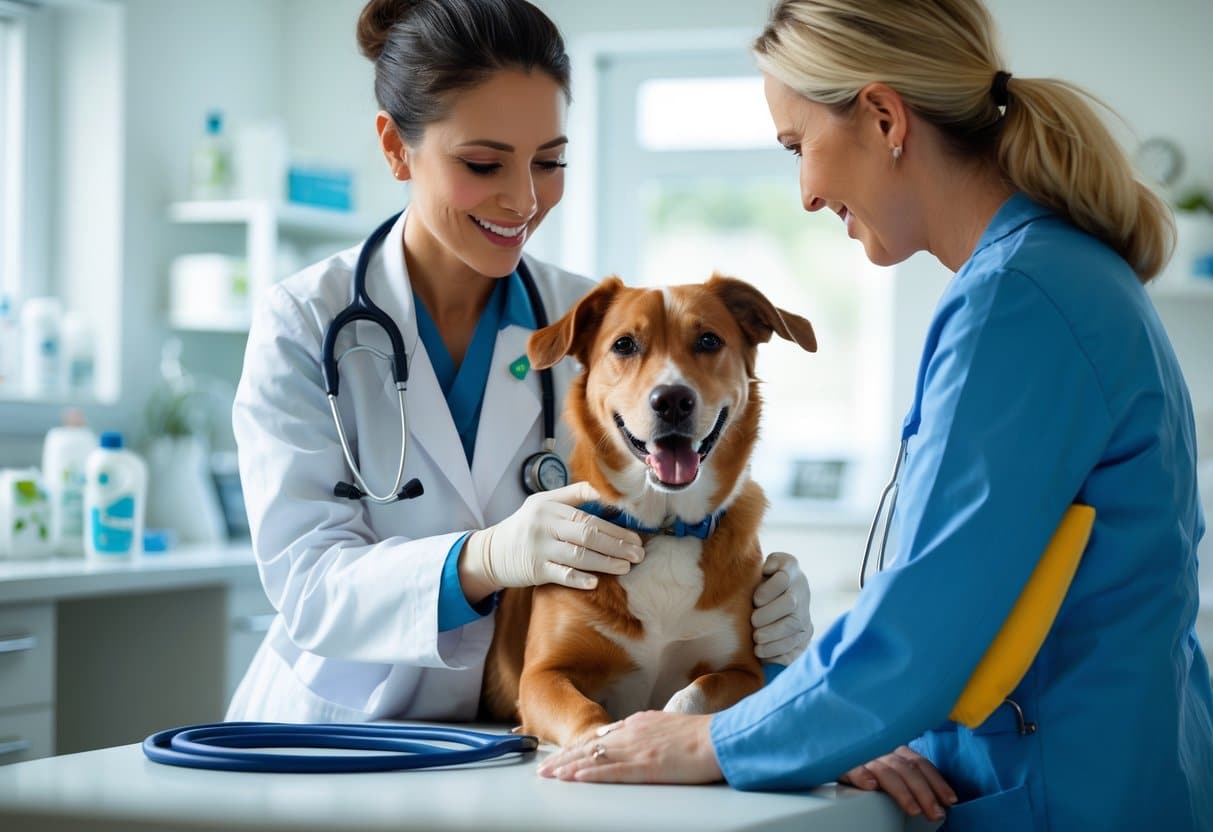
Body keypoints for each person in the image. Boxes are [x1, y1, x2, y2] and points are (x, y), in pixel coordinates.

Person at [538, 1, 1213, 829]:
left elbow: (927, 622)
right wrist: (828, 725)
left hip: (1059, 793)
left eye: (797, 147)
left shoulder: (1016, 301)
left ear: (884, 118)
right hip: (1113, 766)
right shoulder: (1062, 273)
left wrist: (711, 741)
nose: (805, 194)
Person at [226, 0, 813, 727]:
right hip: (338, 731)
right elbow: (307, 585)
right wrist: (481, 559)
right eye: (483, 164)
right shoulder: (305, 323)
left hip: (507, 736)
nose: (525, 199)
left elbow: (676, 507)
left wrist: (756, 610)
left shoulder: (593, 325)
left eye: (549, 162)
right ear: (396, 147)